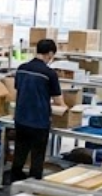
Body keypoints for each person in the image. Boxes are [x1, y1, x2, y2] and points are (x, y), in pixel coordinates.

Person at [10, 38, 64, 181]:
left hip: (21, 118)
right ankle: (33, 184)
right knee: (37, 156)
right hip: (39, 120)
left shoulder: (21, 68)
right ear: (50, 54)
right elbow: (58, 101)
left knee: (20, 151)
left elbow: (18, 89)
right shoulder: (49, 74)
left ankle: (15, 180)